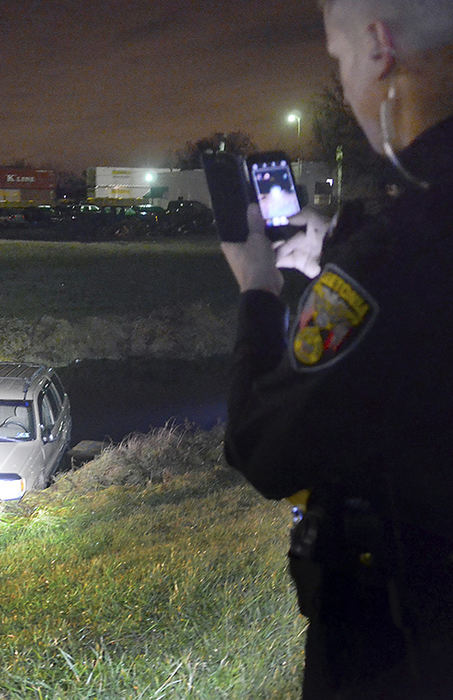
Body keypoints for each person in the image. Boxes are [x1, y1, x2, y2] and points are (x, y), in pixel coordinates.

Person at [219, 0, 453, 697]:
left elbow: (262, 448)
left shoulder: (392, 260)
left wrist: (259, 291)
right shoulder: (400, 246)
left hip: (401, 645)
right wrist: (341, 247)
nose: (344, 80)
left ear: (379, 49)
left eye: (337, 57)